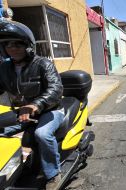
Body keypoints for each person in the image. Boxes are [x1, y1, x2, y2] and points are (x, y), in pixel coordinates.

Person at [0, 19, 64, 189]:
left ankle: (53, 174)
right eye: (8, 45)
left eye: (18, 44)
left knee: (42, 134)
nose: (12, 48)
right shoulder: (4, 68)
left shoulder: (43, 64)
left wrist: (37, 104)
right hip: (22, 112)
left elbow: (56, 89)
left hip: (50, 110)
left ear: (28, 46)